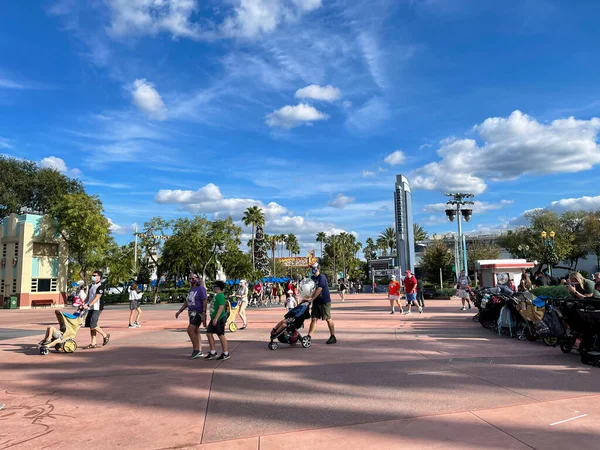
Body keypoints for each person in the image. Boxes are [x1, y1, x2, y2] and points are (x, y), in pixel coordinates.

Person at [175, 274, 208, 359]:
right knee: (196, 330)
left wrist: (204, 312)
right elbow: (187, 301)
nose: (191, 280)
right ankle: (199, 350)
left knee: (190, 329)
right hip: (191, 312)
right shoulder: (191, 289)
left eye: (193, 278)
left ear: (197, 279)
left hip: (198, 312)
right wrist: (180, 311)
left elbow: (204, 300)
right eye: (189, 278)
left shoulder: (201, 289)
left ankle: (196, 350)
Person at [306, 262, 336, 344]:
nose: (312, 269)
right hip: (316, 302)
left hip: (324, 301)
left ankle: (333, 336)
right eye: (312, 268)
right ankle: (309, 336)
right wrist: (307, 297)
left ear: (318, 268)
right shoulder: (312, 278)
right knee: (314, 319)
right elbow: (310, 289)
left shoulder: (321, 277)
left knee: (328, 318)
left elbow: (319, 289)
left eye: (314, 268)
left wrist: (312, 299)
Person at [82, 270, 110, 349]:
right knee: (90, 325)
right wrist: (83, 303)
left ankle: (105, 336)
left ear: (99, 277)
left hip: (97, 308)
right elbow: (88, 297)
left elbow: (97, 297)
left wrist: (89, 305)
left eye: (95, 275)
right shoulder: (91, 286)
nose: (93, 277)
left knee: (93, 324)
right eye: (93, 275)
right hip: (91, 307)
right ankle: (93, 343)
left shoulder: (100, 286)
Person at [205, 280, 230, 360]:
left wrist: (216, 318)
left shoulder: (220, 296)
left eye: (214, 286)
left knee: (220, 335)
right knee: (209, 333)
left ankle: (226, 353)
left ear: (218, 288)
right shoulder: (217, 295)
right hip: (214, 318)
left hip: (218, 318)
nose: (213, 288)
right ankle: (213, 352)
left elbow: (221, 307)